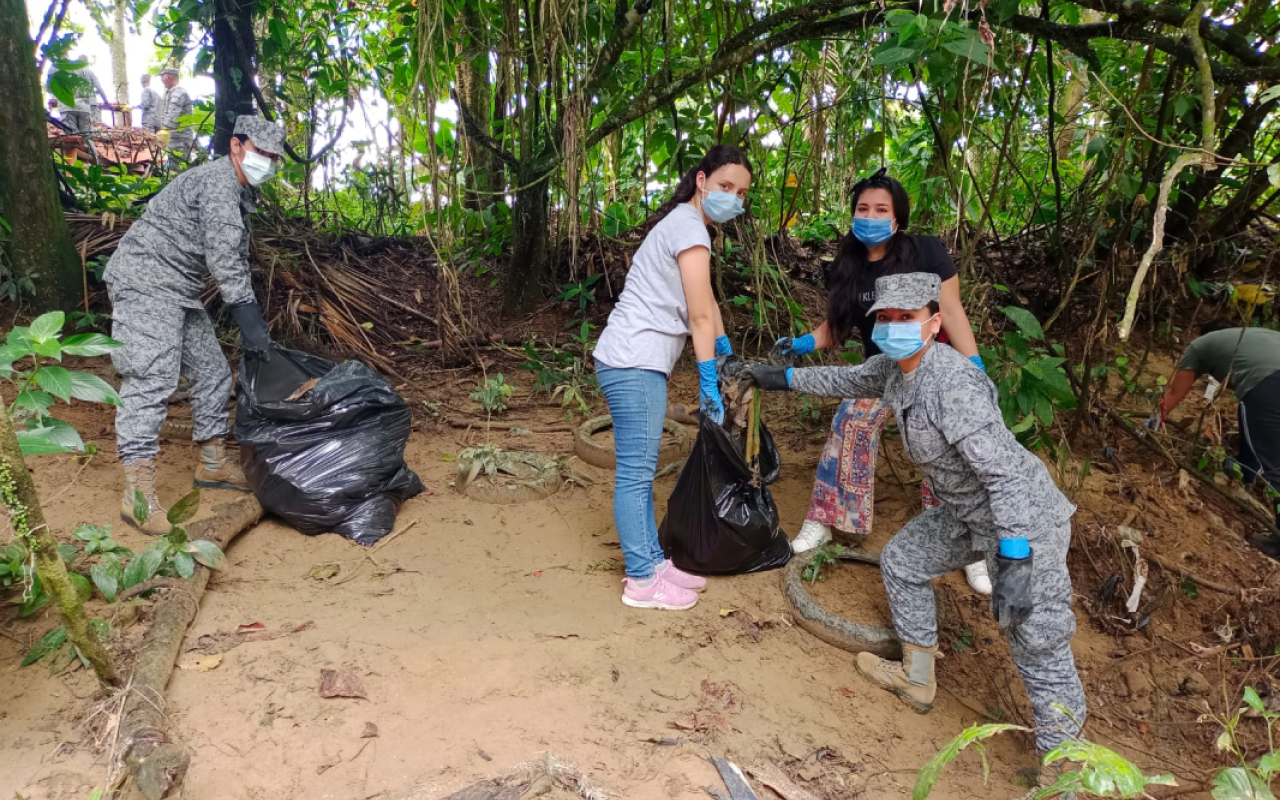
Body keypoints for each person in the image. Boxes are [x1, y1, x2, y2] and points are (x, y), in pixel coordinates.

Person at [735, 272, 1085, 765]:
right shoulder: (895, 369)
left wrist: (1016, 559)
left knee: (1036, 641)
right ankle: (917, 680)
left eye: (908, 317)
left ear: (934, 321)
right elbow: (844, 378)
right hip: (968, 513)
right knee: (902, 561)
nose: (895, 326)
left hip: (1026, 523)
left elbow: (1005, 478)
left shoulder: (951, 383)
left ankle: (1065, 770)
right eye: (887, 318)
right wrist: (775, 376)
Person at [775, 169, 992, 595]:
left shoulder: (926, 252)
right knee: (849, 423)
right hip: (880, 373)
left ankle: (972, 545)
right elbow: (837, 326)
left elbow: (951, 310)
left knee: (947, 444)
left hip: (934, 369)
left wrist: (974, 366)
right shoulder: (846, 265)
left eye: (881, 209)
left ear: (897, 218)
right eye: (862, 208)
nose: (869, 216)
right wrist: (803, 343)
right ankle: (825, 521)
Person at [105, 114, 284, 535]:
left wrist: (249, 318)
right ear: (237, 147)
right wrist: (249, 319)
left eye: (275, 158)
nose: (269, 163)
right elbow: (224, 262)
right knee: (150, 380)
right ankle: (137, 496)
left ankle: (211, 465)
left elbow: (234, 256)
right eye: (262, 153)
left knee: (213, 374)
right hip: (145, 282)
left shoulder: (239, 192)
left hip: (179, 291)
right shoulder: (219, 183)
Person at [592, 144, 752, 611]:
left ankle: (653, 562)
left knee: (638, 472)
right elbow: (699, 317)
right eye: (725, 186)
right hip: (633, 361)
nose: (734, 198)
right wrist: (708, 377)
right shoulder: (688, 228)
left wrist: (725, 351)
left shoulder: (690, 226)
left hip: (634, 358)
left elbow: (709, 305)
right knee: (637, 475)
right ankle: (642, 579)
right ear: (701, 181)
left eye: (741, 193)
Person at [1158, 321, 1280, 528]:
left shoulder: (1199, 345)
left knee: (1275, 465)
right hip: (1270, 380)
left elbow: (1175, 393)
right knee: (1252, 424)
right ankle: (1246, 474)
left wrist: (1151, 425)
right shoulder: (1255, 335)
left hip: (1270, 384)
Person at [55, 60, 109, 135]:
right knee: (87, 134)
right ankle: (92, 141)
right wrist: (105, 100)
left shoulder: (66, 73)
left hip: (68, 106)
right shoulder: (89, 72)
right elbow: (98, 87)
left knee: (72, 135)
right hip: (87, 105)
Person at [157, 67, 194, 159]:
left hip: (180, 140)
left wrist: (164, 130)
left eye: (162, 76)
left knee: (178, 169)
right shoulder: (171, 92)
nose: (161, 79)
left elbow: (172, 117)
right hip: (174, 139)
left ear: (169, 77)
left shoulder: (179, 93)